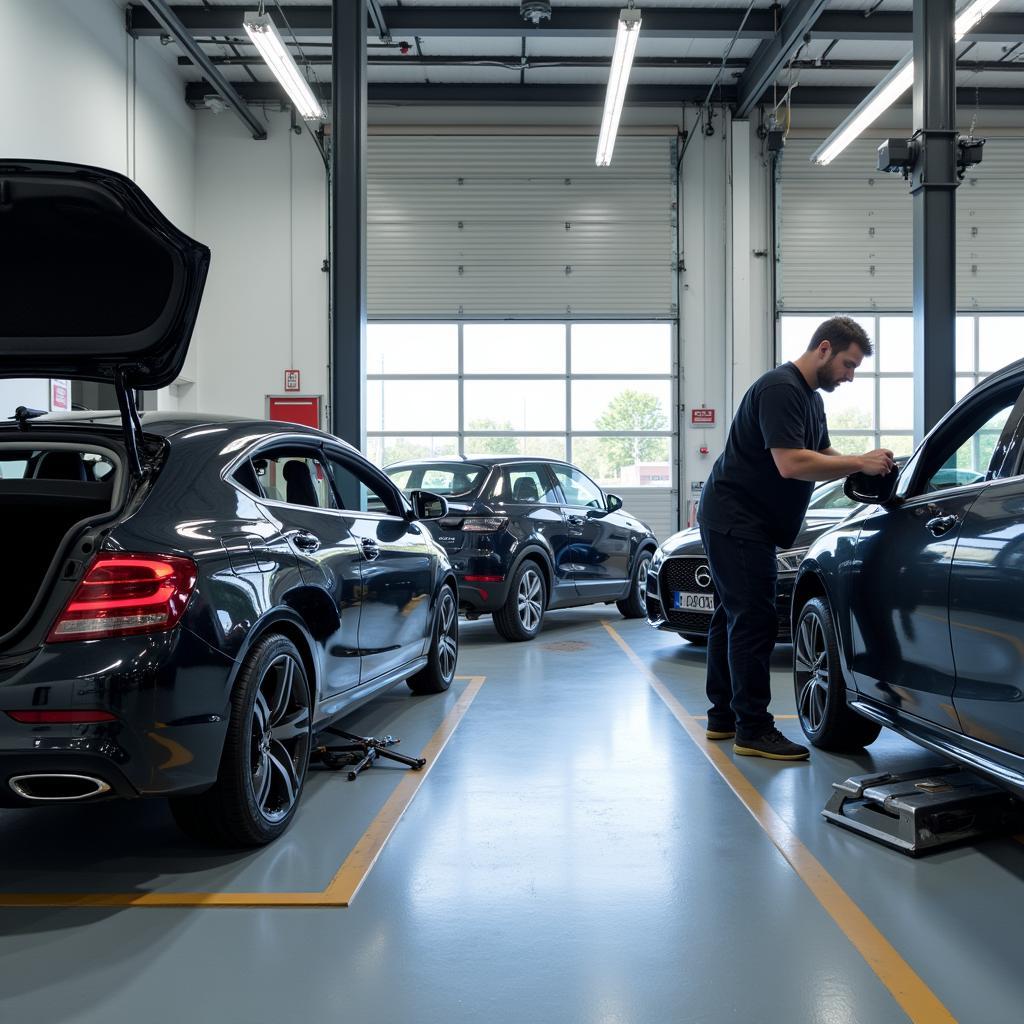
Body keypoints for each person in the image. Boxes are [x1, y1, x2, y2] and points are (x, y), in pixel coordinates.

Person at [696, 316, 895, 760]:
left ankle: (723, 717)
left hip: (744, 518)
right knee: (753, 620)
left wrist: (859, 462)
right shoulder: (779, 389)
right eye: (848, 364)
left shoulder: (809, 399)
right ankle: (753, 729)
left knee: (731, 615)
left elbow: (820, 453)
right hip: (737, 518)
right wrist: (858, 462)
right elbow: (791, 463)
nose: (849, 376)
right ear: (824, 348)